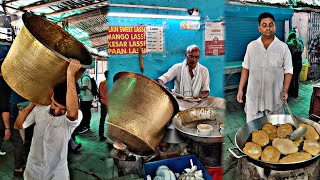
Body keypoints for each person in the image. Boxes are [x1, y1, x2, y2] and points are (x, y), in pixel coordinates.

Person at [14, 59, 83, 180]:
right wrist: (31, 105)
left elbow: (72, 114)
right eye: (55, 105)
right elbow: (18, 125)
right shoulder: (39, 110)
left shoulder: (72, 118)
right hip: (33, 169)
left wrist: (70, 75)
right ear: (52, 97)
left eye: (63, 109)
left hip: (57, 172)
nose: (57, 111)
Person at [236, 12, 293, 123]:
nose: (268, 28)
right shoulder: (251, 46)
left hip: (275, 96)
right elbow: (245, 68)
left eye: (270, 24)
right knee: (253, 128)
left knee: (276, 129)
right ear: (259, 28)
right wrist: (240, 89)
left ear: (275, 26)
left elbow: (288, 70)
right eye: (264, 25)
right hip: (254, 96)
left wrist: (285, 90)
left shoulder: (283, 47)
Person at [157, 44, 225, 111]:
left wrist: (200, 97)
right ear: (186, 55)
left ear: (199, 57)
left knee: (221, 102)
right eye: (191, 56)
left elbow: (206, 91)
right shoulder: (177, 67)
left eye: (196, 57)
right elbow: (161, 79)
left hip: (198, 102)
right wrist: (164, 86)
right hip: (180, 103)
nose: (194, 60)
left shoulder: (204, 70)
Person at [287, 31, 303, 98]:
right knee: (296, 78)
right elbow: (301, 52)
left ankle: (291, 93)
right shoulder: (300, 44)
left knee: (291, 78)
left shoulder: (288, 44)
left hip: (293, 63)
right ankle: (296, 94)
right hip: (299, 62)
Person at [99, 70, 108, 141]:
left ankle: (101, 136)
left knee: (102, 119)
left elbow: (99, 93)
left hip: (103, 103)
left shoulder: (101, 83)